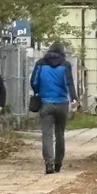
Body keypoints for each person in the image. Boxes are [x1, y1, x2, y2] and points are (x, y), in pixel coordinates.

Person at [30, 42, 78, 174]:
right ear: (62, 52)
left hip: (46, 103)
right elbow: (69, 83)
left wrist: (38, 92)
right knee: (60, 134)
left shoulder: (40, 63)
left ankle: (49, 163)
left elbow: (34, 81)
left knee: (47, 135)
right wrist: (74, 99)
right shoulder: (65, 65)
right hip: (62, 104)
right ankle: (58, 163)